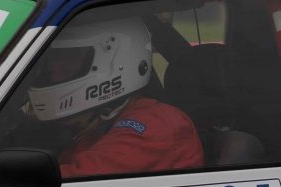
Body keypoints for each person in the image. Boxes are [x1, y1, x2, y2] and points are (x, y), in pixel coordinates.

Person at [25, 17, 204, 178]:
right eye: (53, 58)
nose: (54, 69)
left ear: (113, 63)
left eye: (69, 58)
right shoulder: (100, 120)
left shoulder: (155, 124)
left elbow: (74, 179)